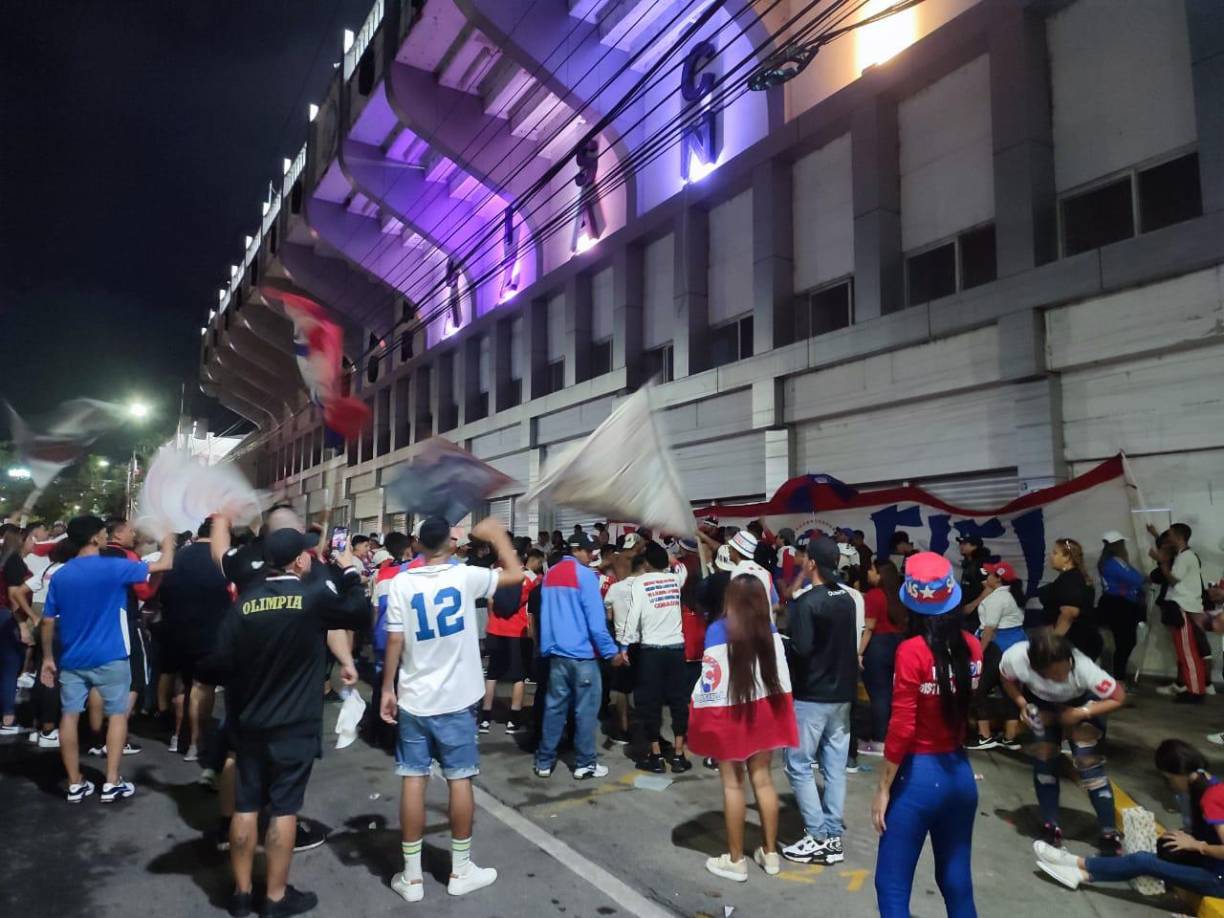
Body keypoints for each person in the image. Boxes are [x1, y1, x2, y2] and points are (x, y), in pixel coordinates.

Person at [200, 527, 369, 918]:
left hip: (249, 720)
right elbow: (357, 611)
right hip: (294, 722)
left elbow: (215, 663)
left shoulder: (244, 603)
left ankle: (241, 895)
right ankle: (275, 897)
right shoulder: (310, 598)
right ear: (300, 560)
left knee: (245, 806)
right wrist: (350, 574)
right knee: (283, 809)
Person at [379, 516, 522, 905]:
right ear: (452, 543)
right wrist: (496, 536)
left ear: (417, 543)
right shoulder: (465, 576)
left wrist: (387, 688)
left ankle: (412, 877)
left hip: (414, 696)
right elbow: (516, 574)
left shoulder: (401, 582)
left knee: (413, 778)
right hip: (458, 700)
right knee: (459, 779)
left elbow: (394, 639)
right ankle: (460, 869)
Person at [872, 552, 983, 918]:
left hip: (918, 778)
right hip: (959, 775)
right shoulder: (972, 646)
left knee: (892, 884)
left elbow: (902, 726)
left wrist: (884, 787)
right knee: (955, 880)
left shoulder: (912, 652)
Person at [39, 516, 176, 803]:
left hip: (73, 658)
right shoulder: (114, 567)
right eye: (103, 533)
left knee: (69, 715)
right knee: (117, 715)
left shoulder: (62, 575)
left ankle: (75, 782)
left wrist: (48, 657)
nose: (106, 537)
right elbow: (163, 565)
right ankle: (111, 780)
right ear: (93, 539)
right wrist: (167, 540)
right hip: (111, 655)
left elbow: (48, 621)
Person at [688, 574, 797, 881]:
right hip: (765, 713)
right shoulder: (771, 629)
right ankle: (770, 853)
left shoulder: (717, 630)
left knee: (733, 784)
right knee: (762, 780)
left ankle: (736, 861)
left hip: (732, 714)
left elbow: (711, 684)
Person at [1035, 739, 1224, 897]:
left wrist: (1196, 846)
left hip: (1218, 880)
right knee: (1167, 845)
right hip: (1212, 866)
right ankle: (1081, 873)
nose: (1170, 785)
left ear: (1178, 774)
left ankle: (1077, 864)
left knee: (1143, 861)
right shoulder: (1210, 784)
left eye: (1169, 779)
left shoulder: (1211, 798)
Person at [999, 629, 1126, 853]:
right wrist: (1023, 704)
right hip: (1042, 705)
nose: (1061, 677)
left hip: (1085, 703)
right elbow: (1005, 678)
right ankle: (1051, 824)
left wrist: (1081, 713)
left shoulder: (1084, 668)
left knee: (1089, 766)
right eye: (1054, 675)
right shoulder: (1016, 658)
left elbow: (1118, 697)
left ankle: (1108, 832)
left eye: (1064, 671)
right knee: (1044, 761)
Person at [781, 536, 858, 866]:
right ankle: (833, 835)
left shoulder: (807, 603)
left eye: (804, 556)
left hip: (812, 695)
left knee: (797, 764)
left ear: (811, 563)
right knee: (834, 766)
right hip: (843, 693)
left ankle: (817, 836)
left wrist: (781, 643)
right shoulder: (848, 599)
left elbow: (802, 649)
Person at [533, 532, 625, 780]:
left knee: (554, 709)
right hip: (583, 657)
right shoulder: (586, 577)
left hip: (556, 655)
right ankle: (585, 763)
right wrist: (611, 652)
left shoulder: (550, 574)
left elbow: (546, 614)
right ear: (577, 550)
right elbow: (596, 623)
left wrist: (546, 648)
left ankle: (544, 761)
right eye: (590, 551)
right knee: (585, 713)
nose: (594, 555)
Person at [158, 517, 231, 761]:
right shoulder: (222, 559)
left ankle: (177, 736)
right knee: (202, 687)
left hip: (176, 631)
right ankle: (196, 743)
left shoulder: (178, 556)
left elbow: (163, 591)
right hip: (209, 633)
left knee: (181, 684)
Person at [620, 541, 691, 773]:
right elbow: (681, 568)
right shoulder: (674, 580)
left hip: (651, 650)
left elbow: (634, 616)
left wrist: (625, 644)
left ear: (647, 563)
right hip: (676, 648)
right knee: (679, 702)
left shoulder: (640, 583)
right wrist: (670, 557)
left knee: (651, 703)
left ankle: (657, 756)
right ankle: (679, 755)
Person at [966, 561, 1027, 751]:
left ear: (998, 578)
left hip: (997, 649)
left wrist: (978, 655)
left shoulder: (996, 600)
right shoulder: (1010, 596)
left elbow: (989, 631)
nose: (987, 577)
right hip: (1014, 647)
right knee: (1010, 691)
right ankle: (1010, 738)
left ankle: (985, 737)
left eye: (991, 574)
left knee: (978, 689)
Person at [480, 543, 537, 735]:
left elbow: (489, 602)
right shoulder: (527, 579)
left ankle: (485, 719)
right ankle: (513, 720)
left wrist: (493, 622)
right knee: (518, 676)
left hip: (495, 629)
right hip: (516, 631)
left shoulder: (495, 576)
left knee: (492, 674)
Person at [857, 560, 907, 757]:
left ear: (879, 575)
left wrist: (859, 653)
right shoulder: (899, 595)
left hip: (878, 645)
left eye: (871, 569)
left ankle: (879, 740)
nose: (868, 572)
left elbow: (869, 627)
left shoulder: (875, 595)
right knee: (890, 693)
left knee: (879, 695)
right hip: (898, 645)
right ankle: (888, 737)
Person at [1155, 523, 1207, 703]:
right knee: (1187, 652)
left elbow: (1173, 579)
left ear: (1178, 536)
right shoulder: (1185, 556)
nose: (1167, 539)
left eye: (1169, 535)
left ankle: (1195, 692)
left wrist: (1162, 562)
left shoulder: (1185, 557)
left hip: (1183, 607)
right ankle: (1193, 688)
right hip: (1184, 607)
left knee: (1188, 652)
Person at [1095, 530, 1147, 680]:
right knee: (1125, 643)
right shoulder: (1115, 562)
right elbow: (1136, 579)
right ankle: (1119, 679)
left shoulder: (1106, 562)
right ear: (1119, 545)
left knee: (1123, 642)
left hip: (1114, 604)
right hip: (1121, 606)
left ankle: (1118, 678)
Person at [1038, 538, 1100, 660]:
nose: (1051, 556)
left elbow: (1068, 614)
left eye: (1055, 553)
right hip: (1074, 643)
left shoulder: (1071, 581)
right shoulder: (1070, 578)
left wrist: (1052, 645)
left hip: (1073, 645)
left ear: (1067, 558)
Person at [956, 536, 991, 632]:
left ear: (975, 546)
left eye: (965, 544)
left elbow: (989, 588)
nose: (961, 546)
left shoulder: (981, 564)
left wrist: (972, 605)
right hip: (966, 610)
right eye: (960, 544)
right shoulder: (968, 564)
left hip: (976, 613)